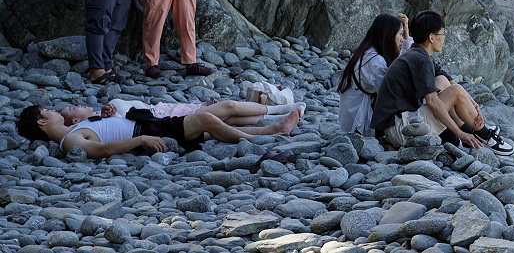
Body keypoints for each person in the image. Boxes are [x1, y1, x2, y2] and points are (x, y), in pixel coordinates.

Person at [369, 10, 513, 156]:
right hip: (400, 130)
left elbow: (443, 75)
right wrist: (459, 133)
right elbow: (432, 101)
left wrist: (472, 102)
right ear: (432, 37)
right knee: (455, 91)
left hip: (398, 124)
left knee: (442, 81)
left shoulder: (417, 53)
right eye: (442, 34)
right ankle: (484, 136)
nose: (444, 39)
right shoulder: (420, 59)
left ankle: (473, 131)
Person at [15, 104, 301, 158]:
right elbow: (100, 150)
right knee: (207, 122)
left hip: (147, 123)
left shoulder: (73, 127)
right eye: (48, 111)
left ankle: (274, 125)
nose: (54, 110)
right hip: (147, 131)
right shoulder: (69, 141)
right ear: (42, 121)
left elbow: (103, 129)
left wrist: (105, 114)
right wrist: (140, 138)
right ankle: (265, 138)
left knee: (215, 119)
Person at [338, 13, 411, 134]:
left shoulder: (368, 52)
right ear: (388, 35)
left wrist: (406, 31)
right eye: (400, 34)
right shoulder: (374, 61)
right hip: (359, 125)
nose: (402, 39)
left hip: (352, 120)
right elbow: (392, 90)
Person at [59, 98, 305, 128]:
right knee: (228, 108)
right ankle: (280, 110)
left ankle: (277, 117)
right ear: (77, 119)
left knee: (229, 116)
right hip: (169, 118)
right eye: (73, 108)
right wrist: (112, 113)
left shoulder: (107, 110)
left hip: (168, 110)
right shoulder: (103, 118)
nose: (76, 103)